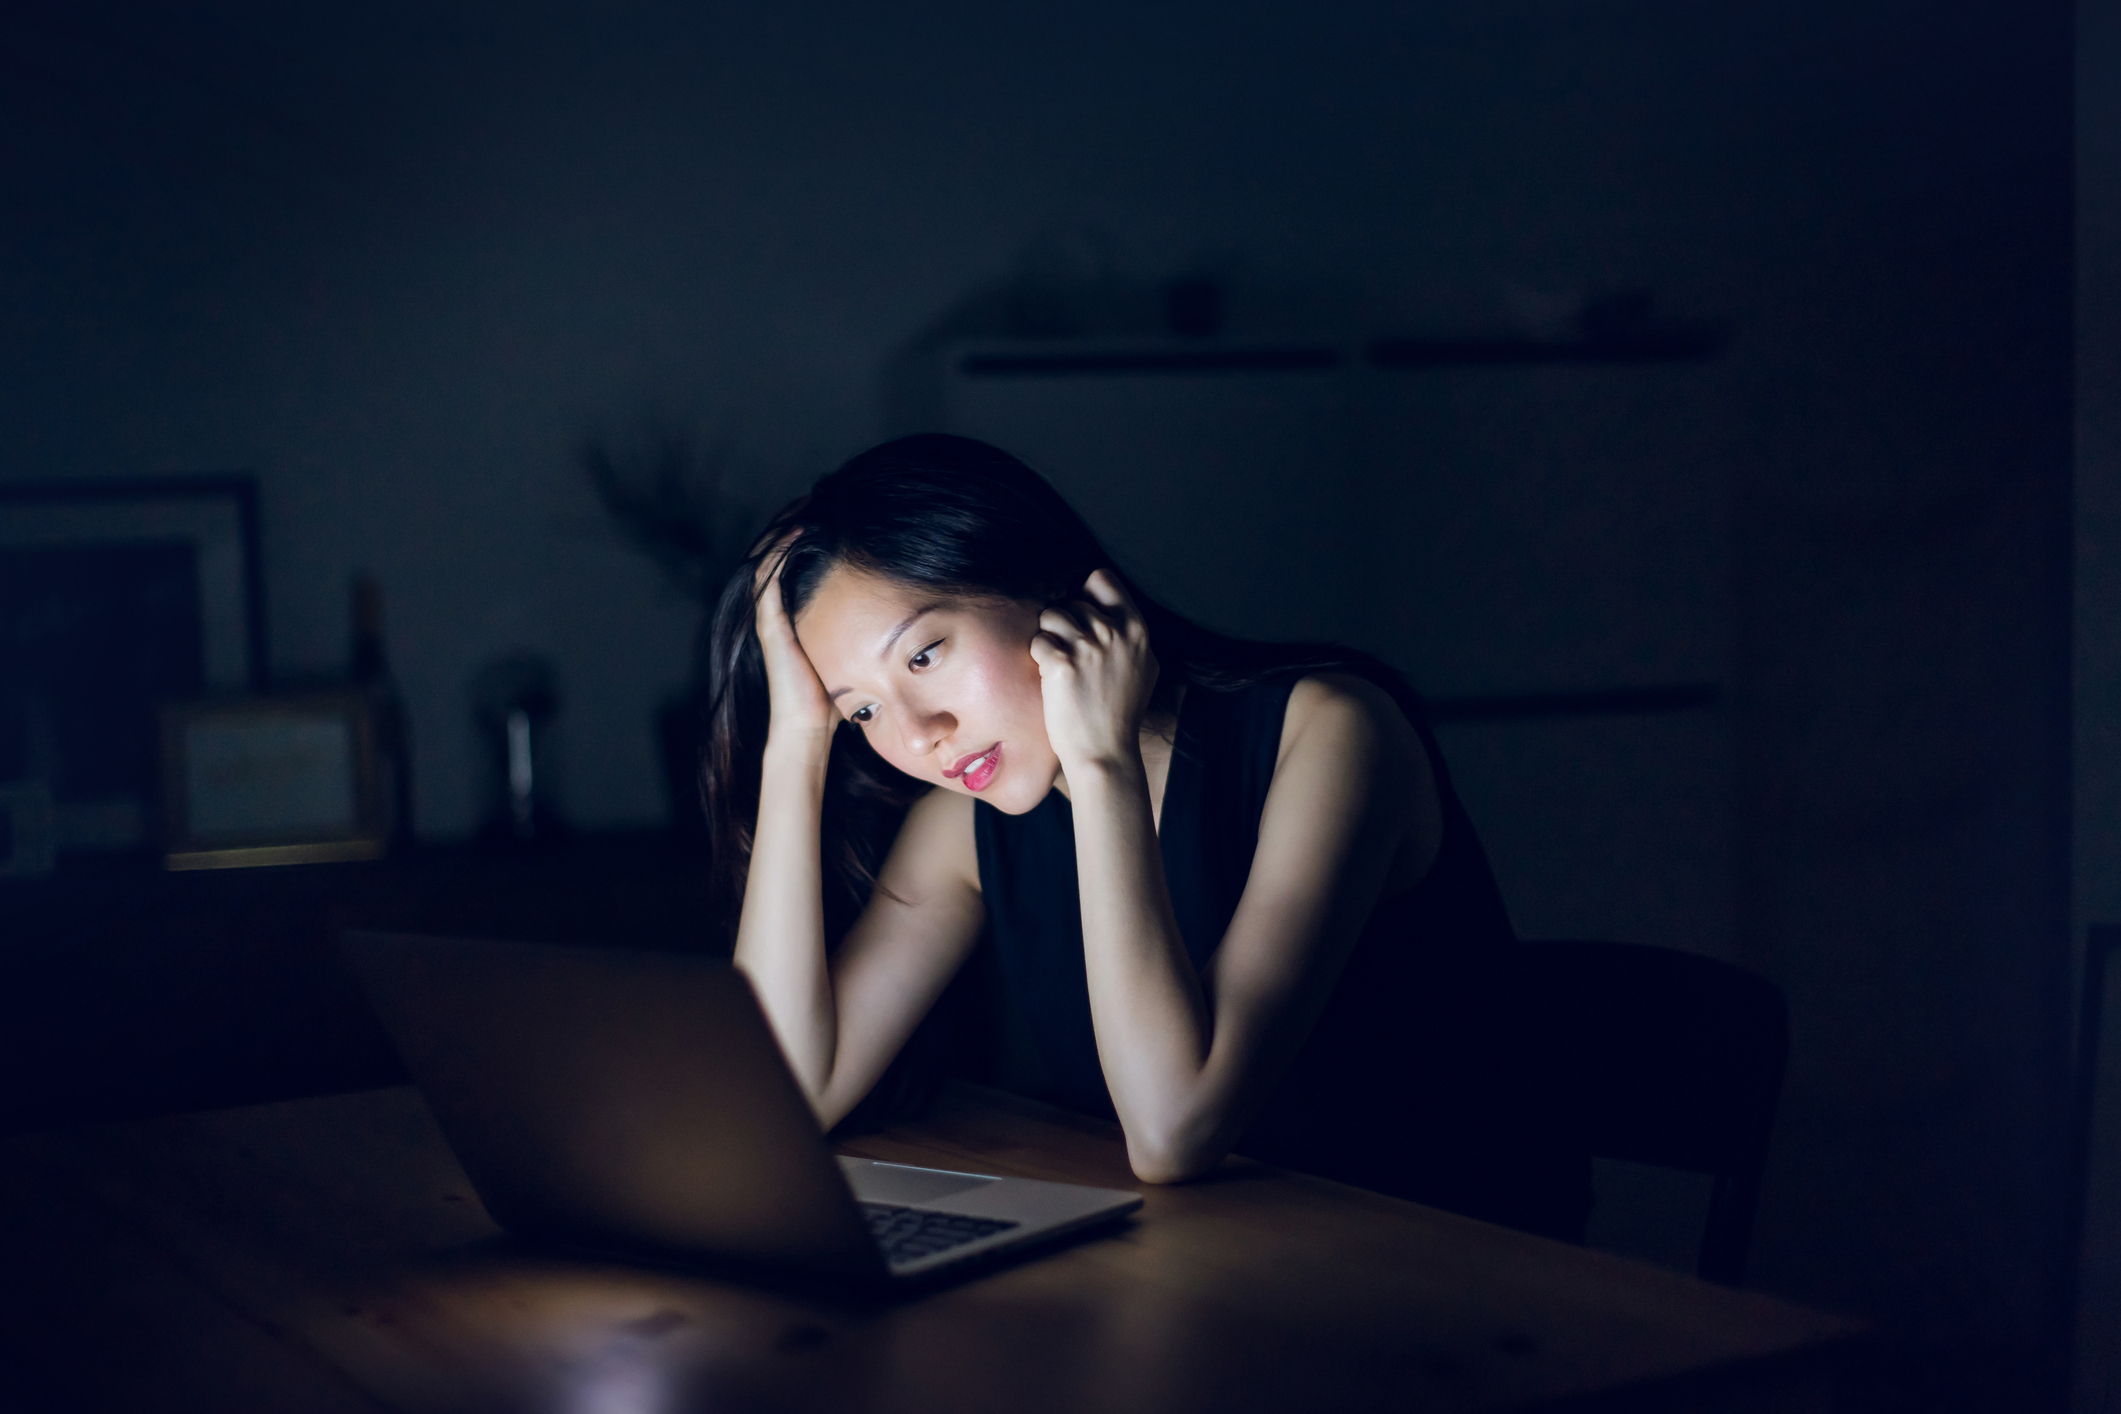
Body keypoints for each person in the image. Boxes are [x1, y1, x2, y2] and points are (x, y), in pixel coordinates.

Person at [704, 434, 1587, 1240]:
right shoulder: (962, 827)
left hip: (1453, 1281)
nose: (918, 734)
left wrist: (1102, 766)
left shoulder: (1332, 732)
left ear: (1043, 582)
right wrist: (797, 742)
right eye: (861, 709)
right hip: (1224, 1273)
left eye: (924, 655)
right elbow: (781, 1101)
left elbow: (1175, 1131)